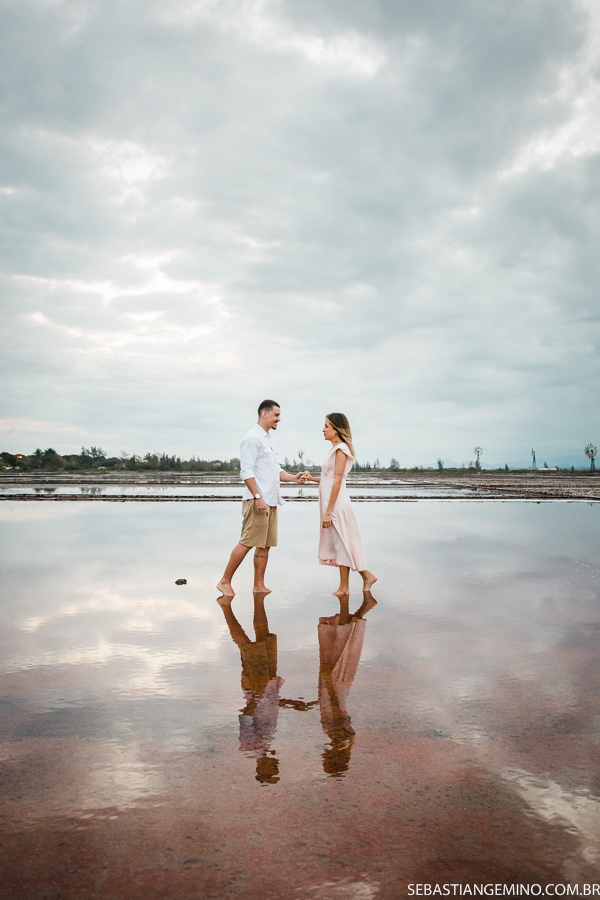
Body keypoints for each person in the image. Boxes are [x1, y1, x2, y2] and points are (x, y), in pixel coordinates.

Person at [217, 399, 306, 596]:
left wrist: (293, 478)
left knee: (265, 545)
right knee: (247, 541)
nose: (279, 419)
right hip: (258, 500)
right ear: (264, 414)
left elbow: (275, 471)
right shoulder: (251, 438)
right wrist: (258, 497)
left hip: (270, 501)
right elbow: (246, 471)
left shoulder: (268, 439)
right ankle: (225, 581)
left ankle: (258, 585)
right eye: (276, 415)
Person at [303, 413, 377, 595]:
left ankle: (345, 587)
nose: (323, 429)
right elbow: (329, 478)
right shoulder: (335, 449)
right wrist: (311, 478)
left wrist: (328, 512)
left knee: (343, 542)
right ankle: (365, 577)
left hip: (336, 504)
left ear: (336, 429)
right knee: (340, 542)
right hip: (331, 502)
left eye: (326, 426)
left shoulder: (341, 450)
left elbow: (337, 481)